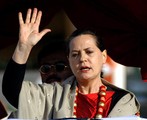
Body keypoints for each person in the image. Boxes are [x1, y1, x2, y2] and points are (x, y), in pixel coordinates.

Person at [2, 8, 140, 119]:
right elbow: (13, 92)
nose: (82, 59)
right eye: (75, 54)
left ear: (103, 56)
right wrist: (23, 47)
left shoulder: (123, 101)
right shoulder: (54, 95)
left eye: (89, 52)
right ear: (69, 60)